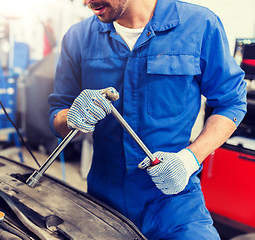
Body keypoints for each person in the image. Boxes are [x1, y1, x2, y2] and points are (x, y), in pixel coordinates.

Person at [48, 0, 247, 239]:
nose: (85, 2)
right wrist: (71, 117)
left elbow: (231, 102)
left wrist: (189, 159)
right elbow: (58, 113)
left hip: (174, 202)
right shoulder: (78, 37)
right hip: (103, 200)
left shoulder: (201, 25)